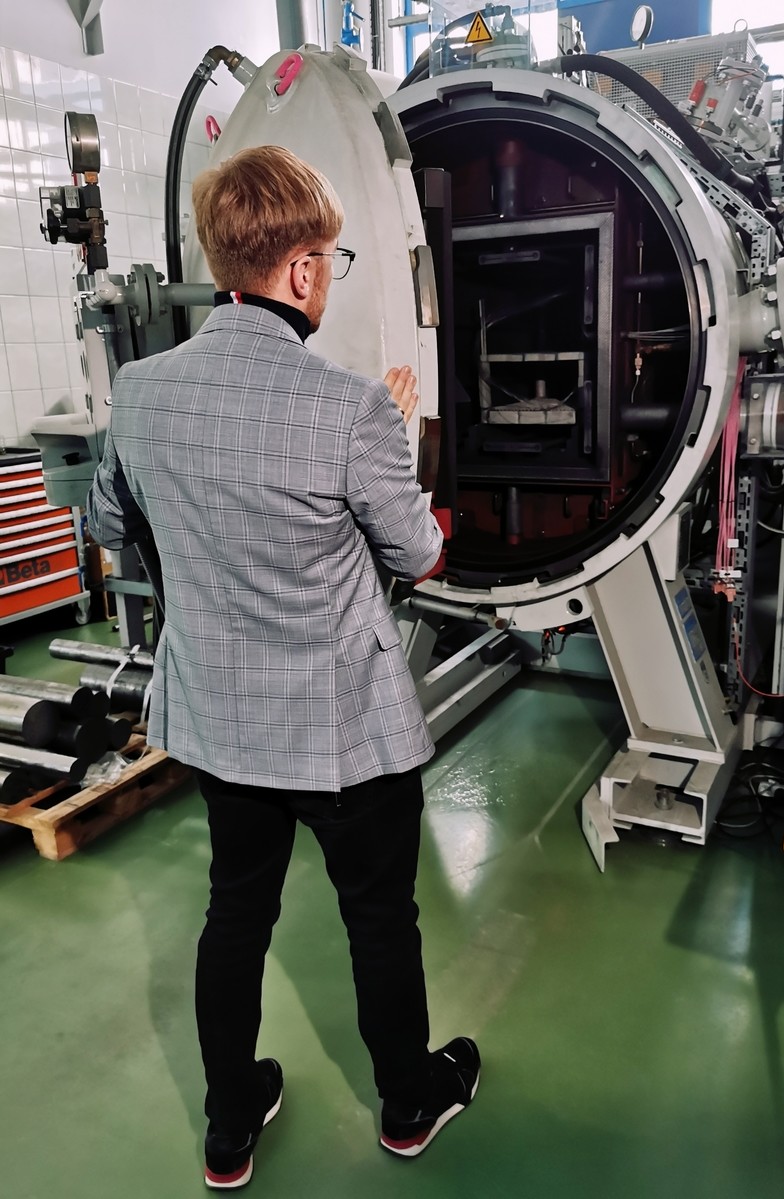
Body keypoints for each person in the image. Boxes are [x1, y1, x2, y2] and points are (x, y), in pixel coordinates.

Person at [86, 144, 479, 1190]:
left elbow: (113, 524)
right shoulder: (349, 407)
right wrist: (394, 438)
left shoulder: (140, 391)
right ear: (302, 270)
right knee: (378, 917)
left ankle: (229, 1126)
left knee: (235, 912)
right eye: (330, 261)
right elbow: (419, 554)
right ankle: (409, 1101)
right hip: (343, 728)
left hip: (224, 723)